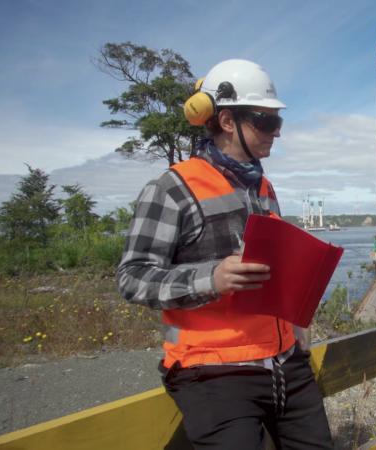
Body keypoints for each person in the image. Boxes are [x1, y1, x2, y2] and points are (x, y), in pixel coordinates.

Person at [117, 59, 333, 450]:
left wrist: (296, 318)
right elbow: (132, 277)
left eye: (278, 121)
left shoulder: (263, 186)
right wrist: (211, 279)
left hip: (285, 362)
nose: (277, 133)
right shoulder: (172, 188)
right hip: (212, 369)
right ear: (228, 121)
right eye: (265, 121)